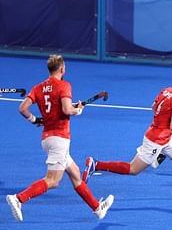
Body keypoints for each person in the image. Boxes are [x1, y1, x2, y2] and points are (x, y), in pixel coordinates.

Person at [5, 54, 114, 221]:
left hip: (47, 139)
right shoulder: (64, 86)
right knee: (53, 180)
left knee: (76, 173)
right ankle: (18, 199)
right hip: (59, 139)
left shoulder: (38, 87)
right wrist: (77, 110)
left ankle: (97, 208)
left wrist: (35, 120)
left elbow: (22, 108)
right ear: (62, 69)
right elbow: (66, 110)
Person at [82, 66, 172, 199]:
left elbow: (154, 107)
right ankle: (96, 164)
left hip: (165, 135)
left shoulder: (166, 90)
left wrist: (162, 122)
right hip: (156, 139)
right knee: (133, 169)